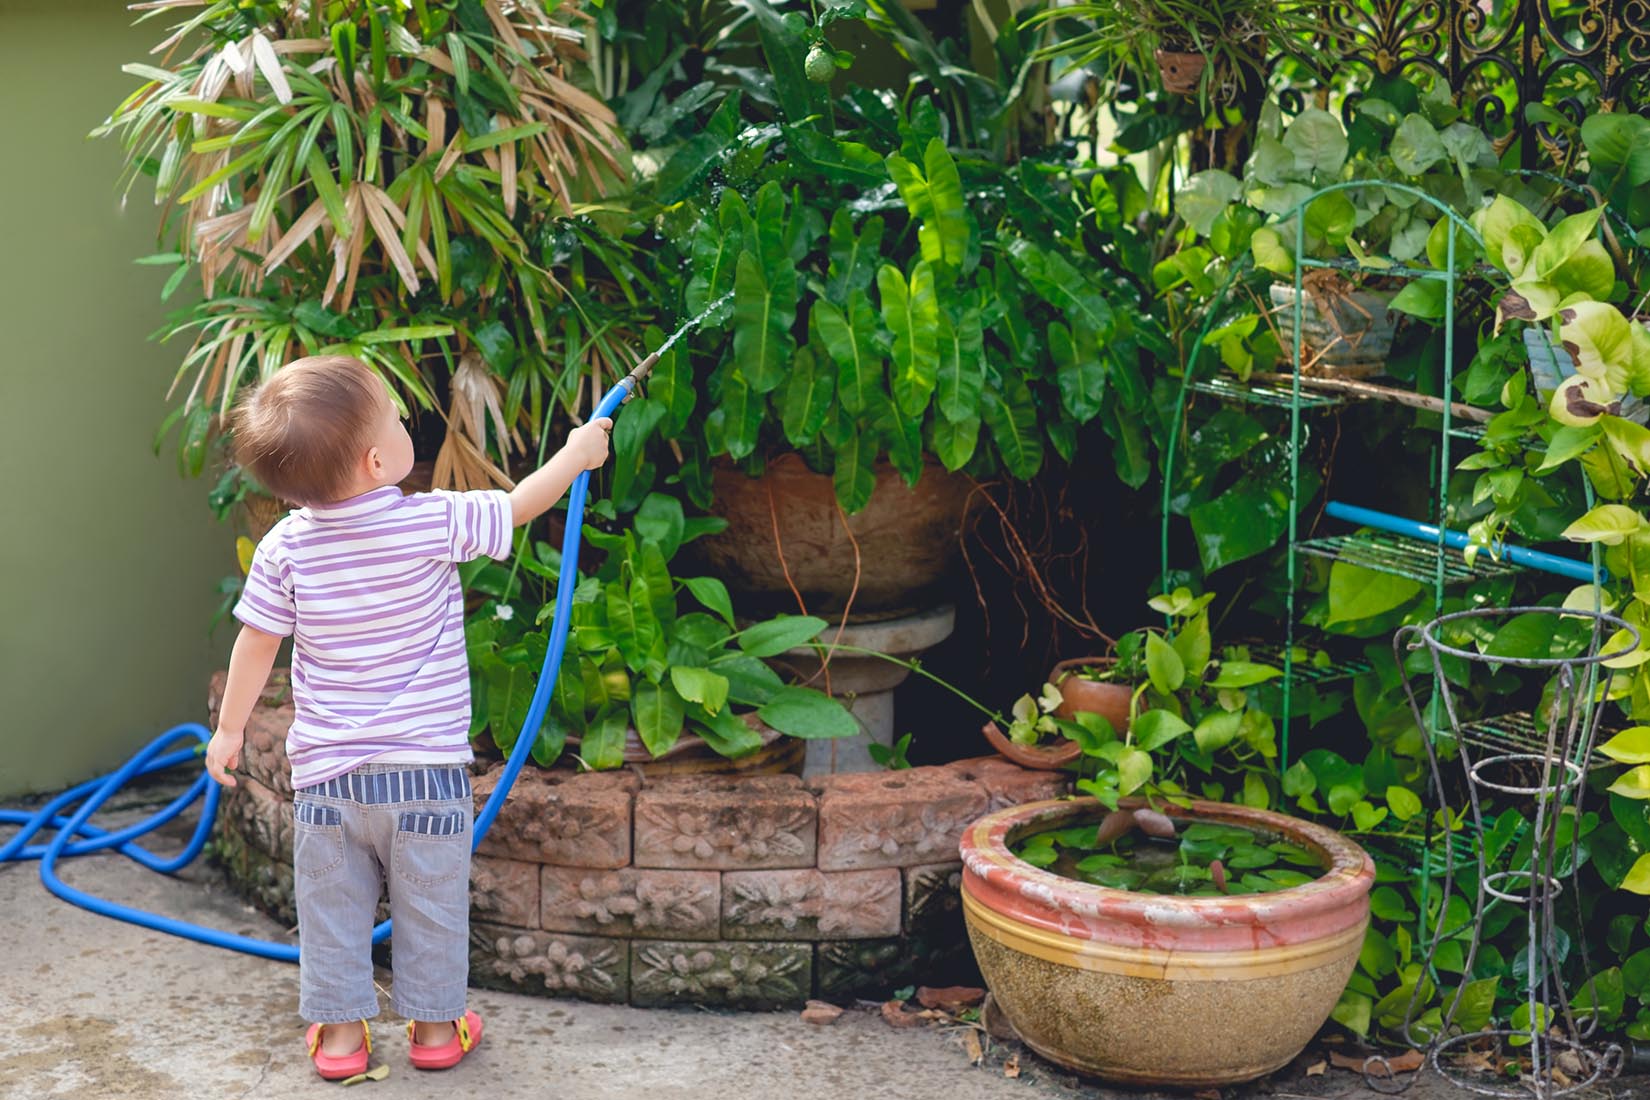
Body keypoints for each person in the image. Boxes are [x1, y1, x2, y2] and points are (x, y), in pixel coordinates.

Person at [204, 354, 611, 1080]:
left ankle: (340, 1041)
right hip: (425, 775)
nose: (405, 424)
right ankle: (433, 1032)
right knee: (431, 908)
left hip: (330, 781)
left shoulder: (283, 549)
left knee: (333, 912)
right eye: (395, 418)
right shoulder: (430, 521)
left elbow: (256, 643)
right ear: (374, 459)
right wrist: (576, 456)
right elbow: (521, 503)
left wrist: (231, 730)